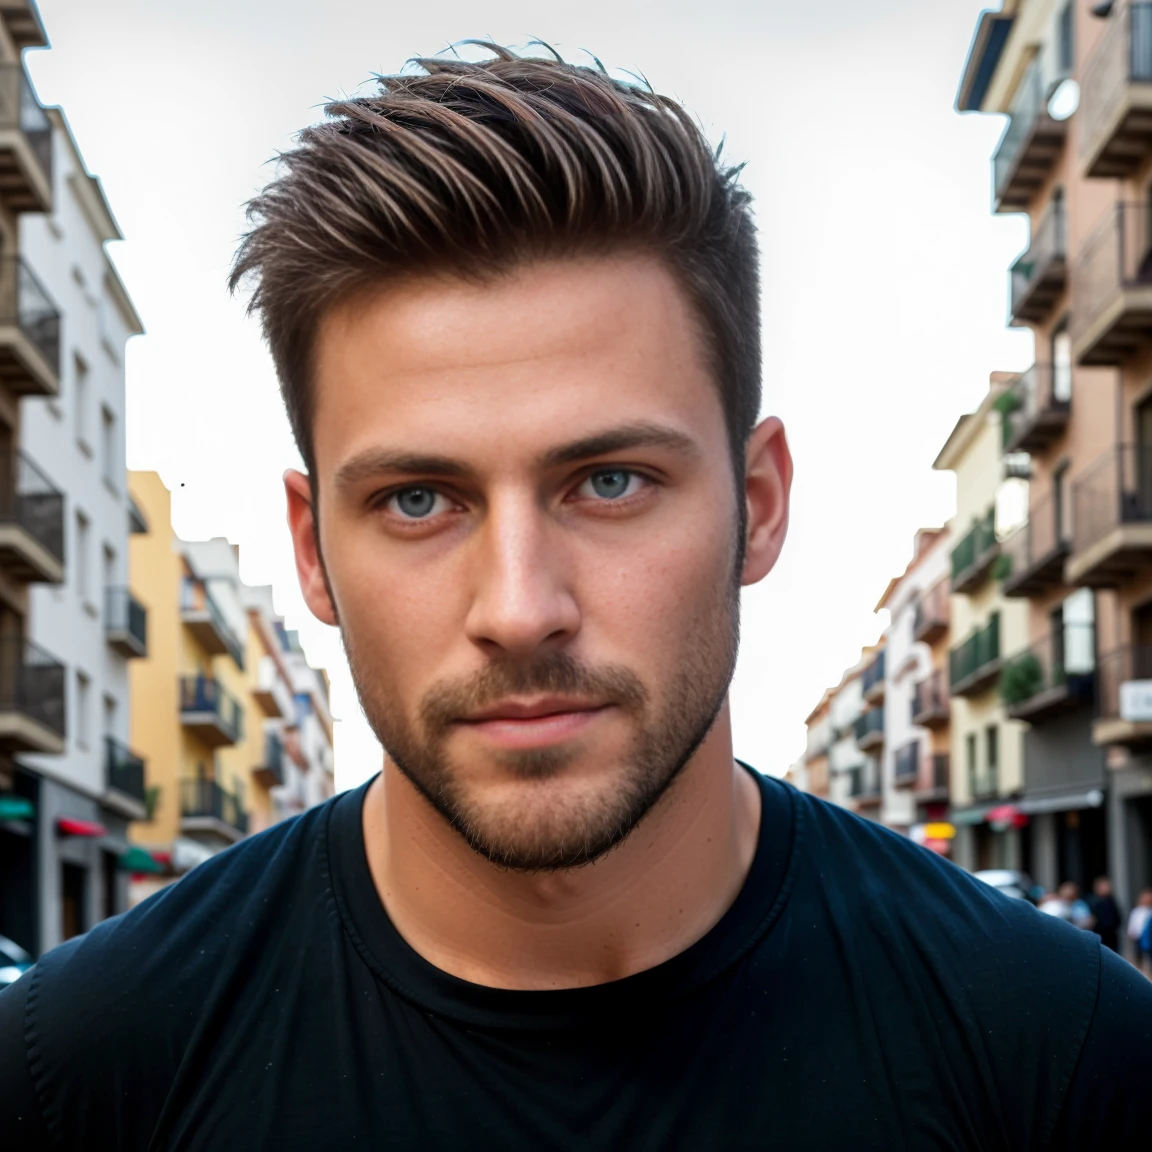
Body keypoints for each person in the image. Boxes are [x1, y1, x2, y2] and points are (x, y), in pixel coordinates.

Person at [2, 44, 1152, 1150]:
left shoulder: (1064, 1050)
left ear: (757, 502)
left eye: (609, 482)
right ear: (312, 551)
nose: (518, 606)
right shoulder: (79, 1074)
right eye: (416, 501)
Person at [1088, 876, 1123, 953]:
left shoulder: (1112, 902)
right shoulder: (1094, 902)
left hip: (1111, 934)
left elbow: (1117, 918)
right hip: (1100, 934)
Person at [1131, 888, 1152, 974]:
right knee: (1139, 955)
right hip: (1138, 936)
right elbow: (1133, 923)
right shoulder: (1137, 911)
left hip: (1149, 937)